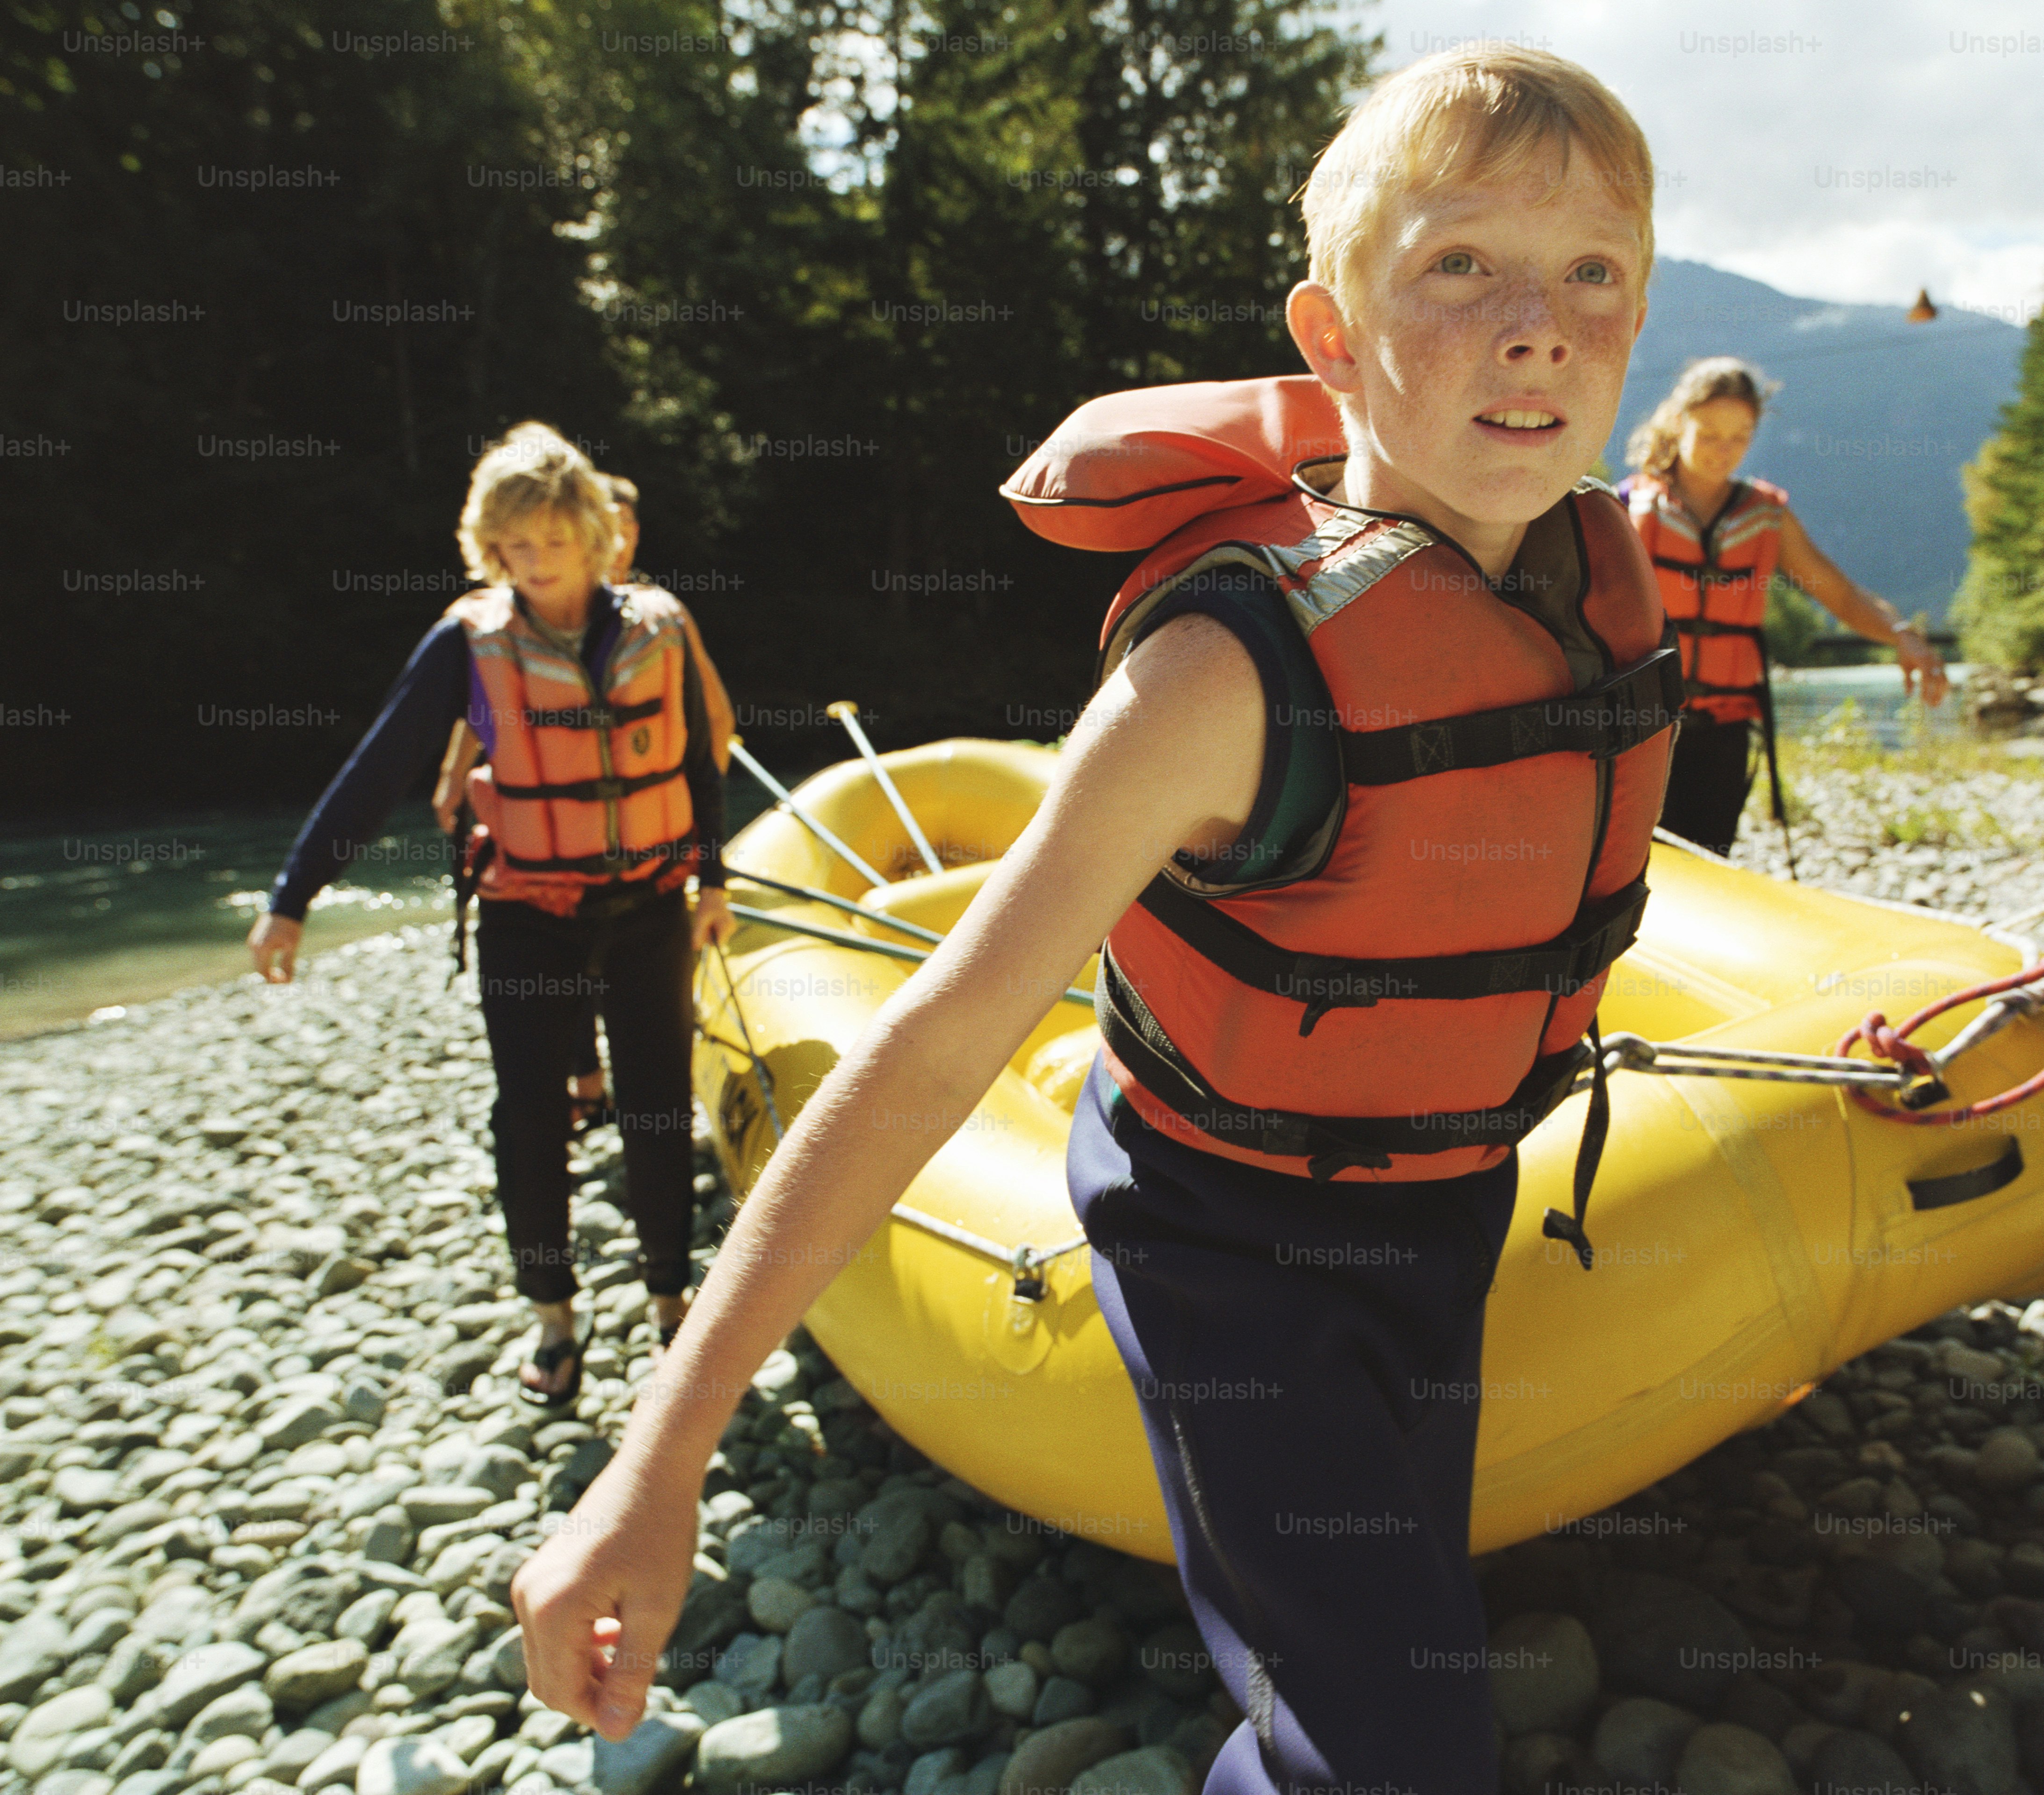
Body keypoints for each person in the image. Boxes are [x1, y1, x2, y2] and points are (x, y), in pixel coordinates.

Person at [512, 44, 1675, 1794]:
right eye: (1459, 264)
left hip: (1448, 1199)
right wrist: (658, 1456)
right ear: (1333, 335)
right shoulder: (1224, 677)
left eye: (1591, 272)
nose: (1539, 327)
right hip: (1230, 1240)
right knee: (1405, 1743)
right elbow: (930, 1046)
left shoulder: (1598, 565)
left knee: (1370, 1663)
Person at [248, 424, 736, 1406]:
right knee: (531, 1116)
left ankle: (671, 1299)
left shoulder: (663, 625)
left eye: (554, 541)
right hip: (529, 916)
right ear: (491, 545)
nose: (537, 564)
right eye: (516, 546)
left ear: (595, 536)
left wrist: (713, 878)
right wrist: (292, 898)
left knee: (653, 1107)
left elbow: (692, 761)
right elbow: (377, 768)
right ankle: (553, 1316)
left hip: (647, 906)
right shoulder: (466, 642)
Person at [428, 472, 738, 1133]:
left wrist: (686, 814)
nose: (619, 539)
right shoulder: (515, 616)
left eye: (628, 527)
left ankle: (628, 1103)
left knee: (626, 977)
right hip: (548, 854)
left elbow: (711, 717)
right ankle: (587, 1083)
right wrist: (456, 775)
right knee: (558, 957)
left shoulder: (651, 621)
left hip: (643, 845)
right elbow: (479, 702)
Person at [1618, 357, 1950, 856]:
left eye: (1739, 436)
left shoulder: (1763, 517)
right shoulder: (1626, 508)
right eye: (1708, 434)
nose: (1722, 451)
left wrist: (1901, 634)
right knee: (1623, 864)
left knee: (1705, 860)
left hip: (1722, 733)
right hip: (1636, 728)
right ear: (1676, 422)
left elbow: (1838, 593)